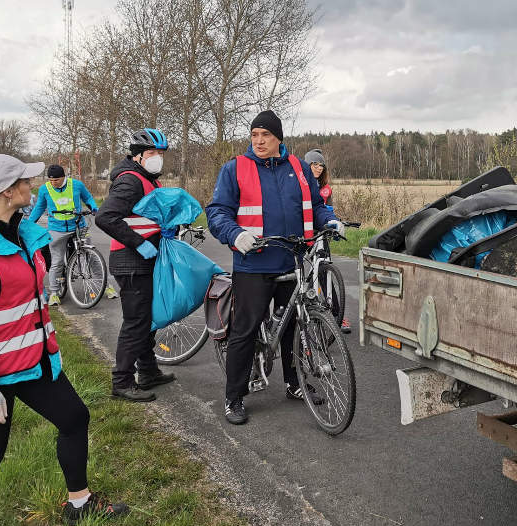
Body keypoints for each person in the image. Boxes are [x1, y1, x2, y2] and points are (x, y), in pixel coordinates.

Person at [0, 154, 128, 526]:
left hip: (35, 362)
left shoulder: (20, 231)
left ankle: (79, 502)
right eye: (26, 180)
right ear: (9, 191)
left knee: (75, 417)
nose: (34, 184)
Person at [207, 110, 344, 425]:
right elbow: (217, 212)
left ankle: (294, 383)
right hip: (253, 263)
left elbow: (316, 205)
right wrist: (235, 234)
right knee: (245, 329)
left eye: (265, 135)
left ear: (278, 138)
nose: (258, 141)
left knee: (294, 326)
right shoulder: (235, 169)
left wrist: (329, 220)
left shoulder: (297, 167)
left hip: (292, 260)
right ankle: (234, 397)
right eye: (254, 135)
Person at [95, 129, 177, 402]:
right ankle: (122, 380)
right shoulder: (131, 181)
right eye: (153, 153)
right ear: (138, 156)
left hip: (144, 261)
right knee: (136, 322)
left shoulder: (148, 179)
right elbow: (105, 217)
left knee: (146, 319)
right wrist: (138, 242)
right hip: (132, 262)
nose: (158, 159)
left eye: (161, 154)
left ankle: (148, 371)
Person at [27, 164, 118, 305]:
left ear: (63, 177)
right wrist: (29, 223)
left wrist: (94, 208)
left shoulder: (76, 185)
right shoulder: (45, 189)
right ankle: (55, 293)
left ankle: (105, 287)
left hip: (78, 225)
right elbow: (39, 207)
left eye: (56, 180)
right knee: (56, 261)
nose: (53, 183)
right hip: (57, 229)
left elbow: (87, 198)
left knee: (91, 258)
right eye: (50, 180)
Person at [302, 148, 351, 333]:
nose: (319, 168)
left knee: (325, 272)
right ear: (307, 165)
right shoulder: (300, 184)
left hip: (320, 232)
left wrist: (334, 222)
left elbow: (327, 210)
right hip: (303, 232)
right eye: (315, 164)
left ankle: (337, 315)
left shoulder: (325, 188)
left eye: (321, 165)